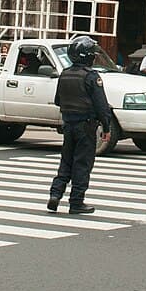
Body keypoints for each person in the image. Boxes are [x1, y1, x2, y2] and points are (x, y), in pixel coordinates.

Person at [47, 36, 112, 215]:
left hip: (68, 124)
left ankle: (55, 194)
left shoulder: (65, 74)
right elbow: (101, 105)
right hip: (86, 126)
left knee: (66, 161)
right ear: (87, 56)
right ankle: (76, 201)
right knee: (82, 163)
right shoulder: (91, 77)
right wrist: (106, 127)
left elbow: (58, 100)